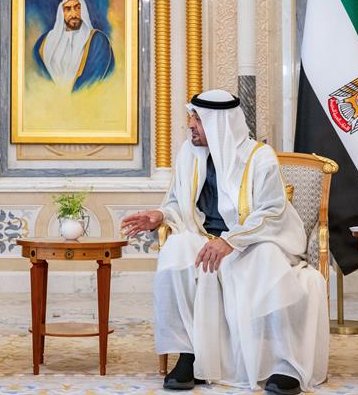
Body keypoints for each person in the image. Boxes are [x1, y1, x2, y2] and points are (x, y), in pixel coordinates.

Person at [121, 89, 328, 394]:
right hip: (207, 239)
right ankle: (188, 355)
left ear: (220, 124)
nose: (190, 124)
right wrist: (161, 216)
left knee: (267, 258)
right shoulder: (189, 154)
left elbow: (271, 213)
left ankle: (286, 366)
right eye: (191, 117)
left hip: (253, 241)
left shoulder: (259, 158)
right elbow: (180, 204)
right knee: (177, 249)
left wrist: (232, 241)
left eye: (198, 119)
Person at [32, 0, 115, 92]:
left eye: (77, 8)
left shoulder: (98, 40)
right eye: (67, 9)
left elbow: (93, 80)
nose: (74, 14)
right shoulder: (43, 44)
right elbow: (39, 77)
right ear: (61, 13)